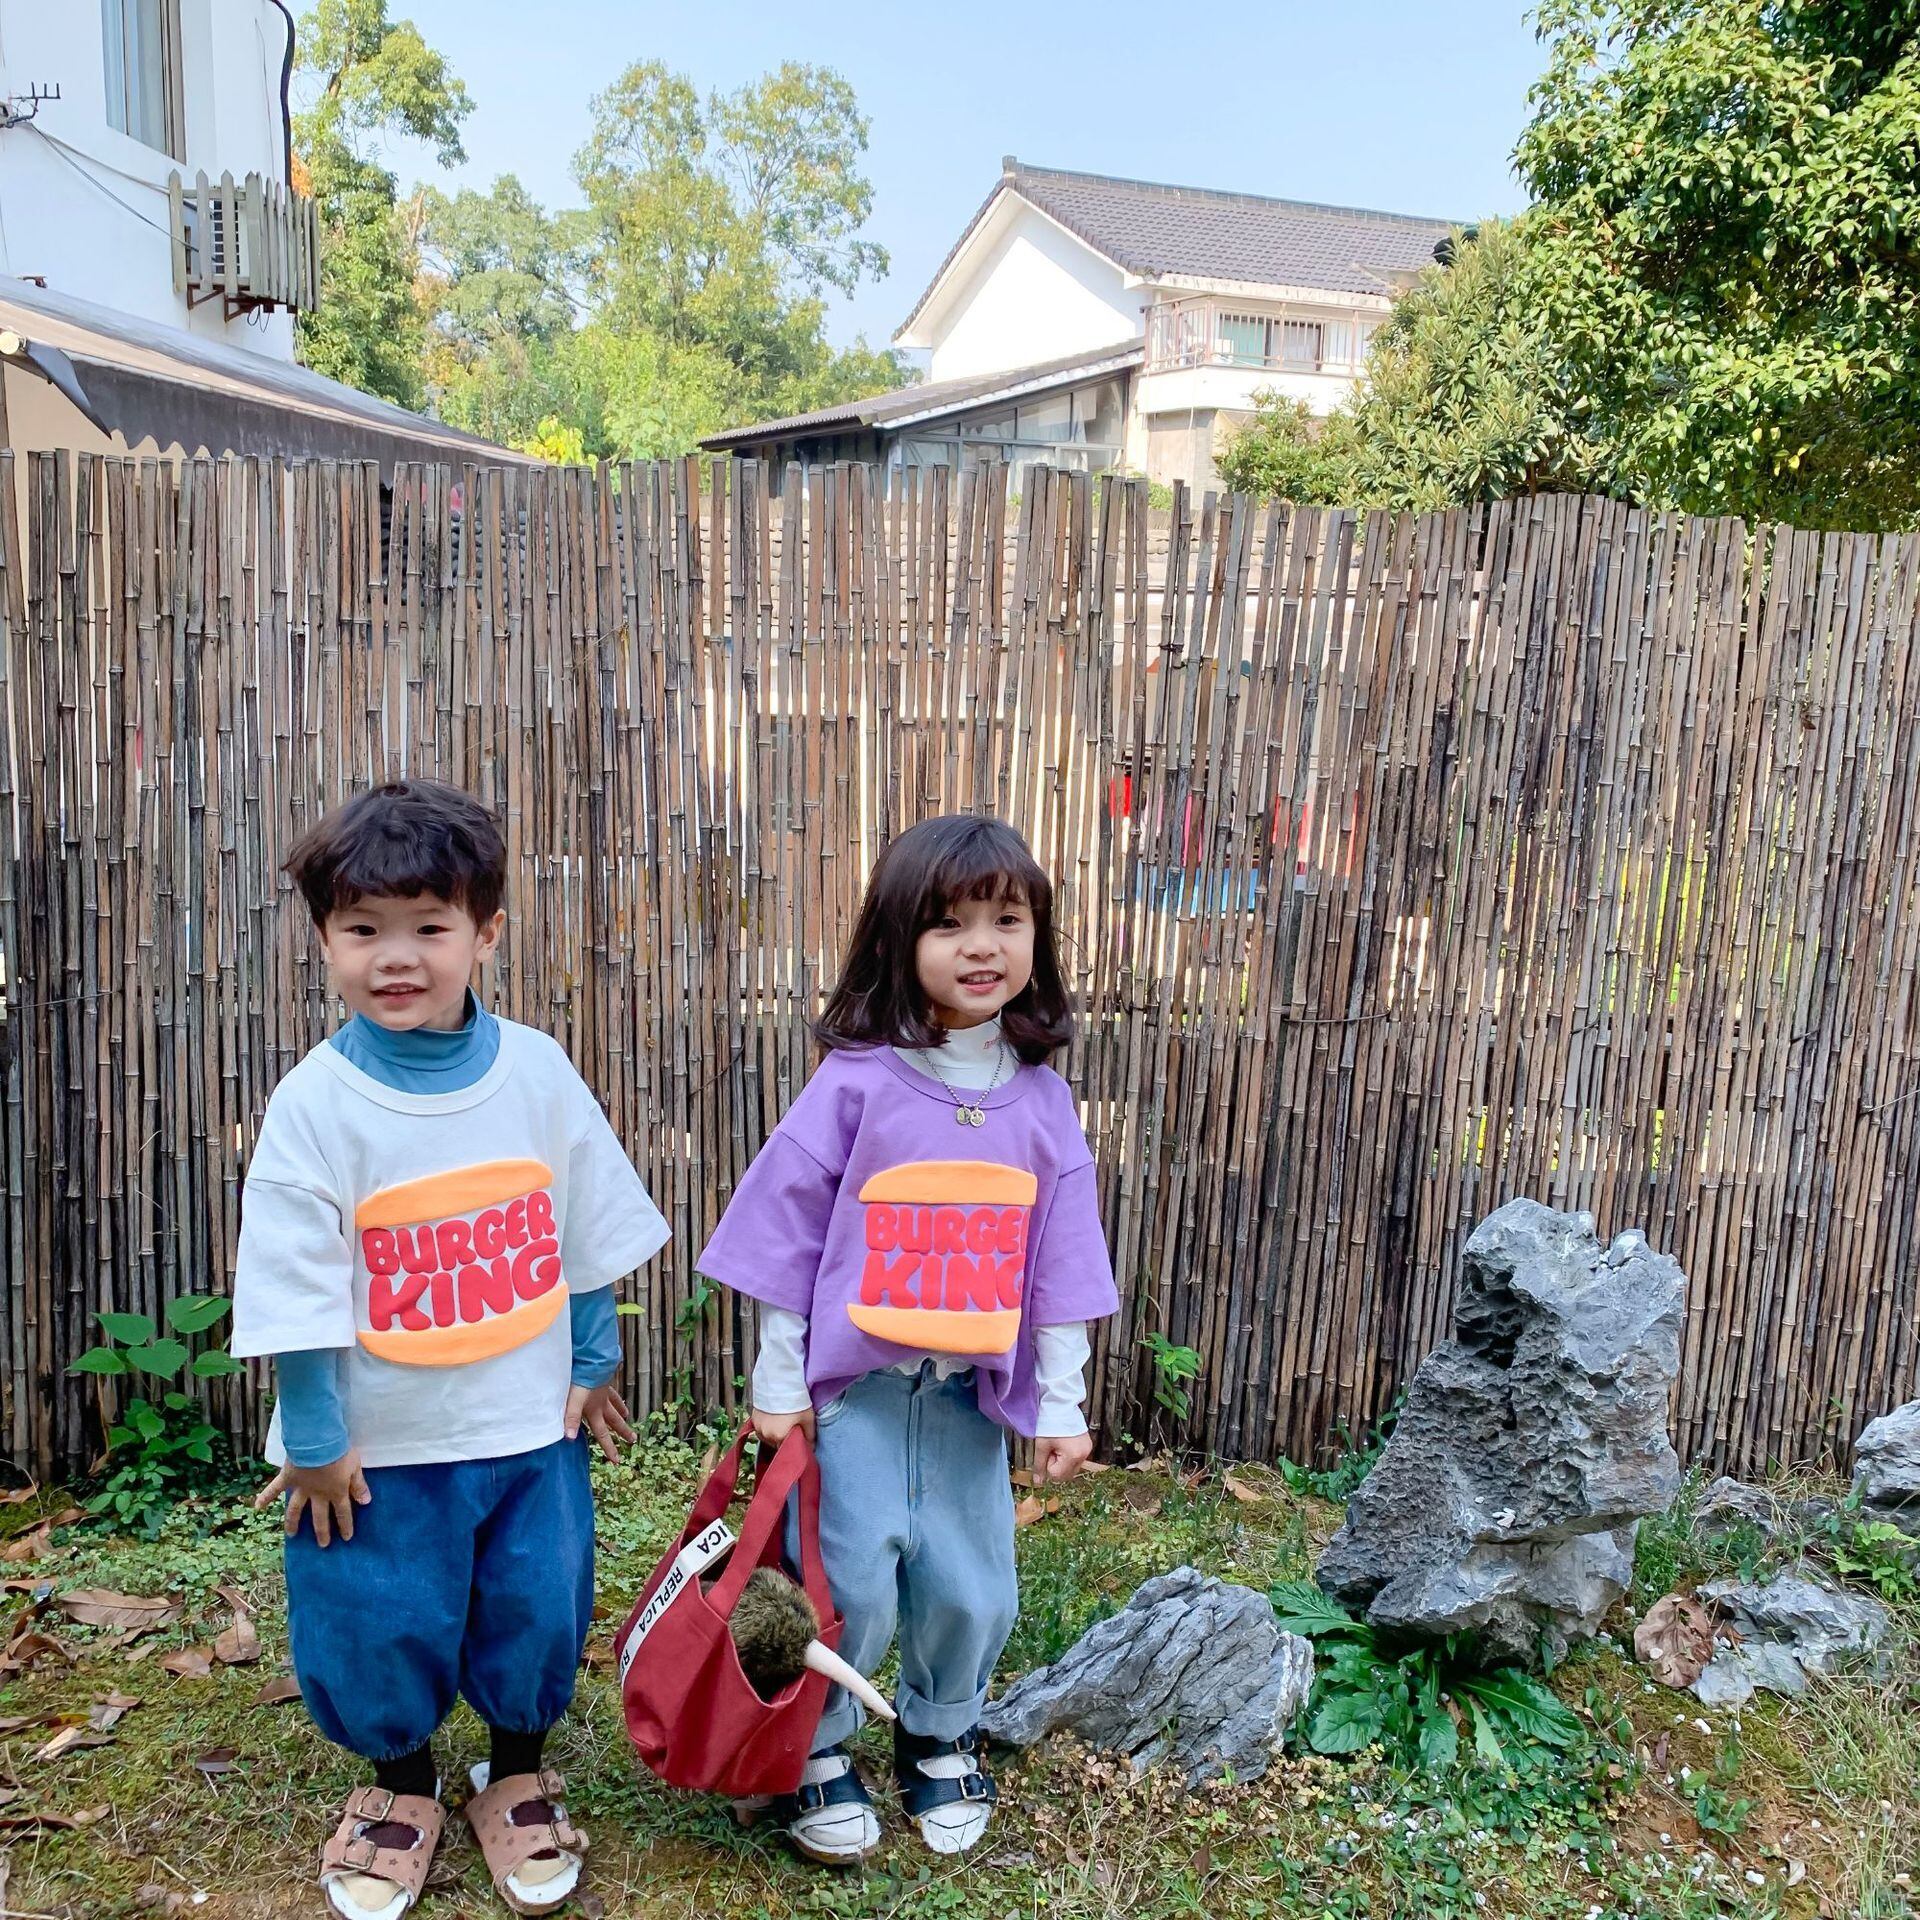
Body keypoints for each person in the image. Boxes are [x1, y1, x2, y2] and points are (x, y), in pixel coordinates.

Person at [231, 779, 669, 1920]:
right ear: (324, 941)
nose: (397, 956)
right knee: (376, 1610)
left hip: (527, 1428)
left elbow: (582, 1220)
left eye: (429, 926)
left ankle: (514, 1768)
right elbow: (294, 1285)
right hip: (379, 1447)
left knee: (536, 1599)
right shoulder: (315, 1107)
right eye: (362, 929)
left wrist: (591, 1358)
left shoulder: (537, 1072)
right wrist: (315, 1436)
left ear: (486, 934)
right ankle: (400, 1784)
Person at [697, 813, 1119, 1865]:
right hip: (858, 1402)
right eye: (949, 923)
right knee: (848, 1583)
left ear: (1038, 938)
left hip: (968, 1406)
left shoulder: (1045, 1106)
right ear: (897, 939)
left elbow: (1063, 1264)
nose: (982, 946)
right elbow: (784, 1239)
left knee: (974, 1585)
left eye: (1007, 920)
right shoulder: (856, 1084)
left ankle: (940, 1731)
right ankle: (816, 1744)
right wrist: (779, 1382)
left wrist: (1061, 1401)